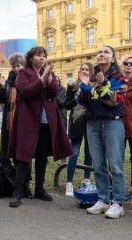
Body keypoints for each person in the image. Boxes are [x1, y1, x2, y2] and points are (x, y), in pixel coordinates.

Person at [9, 46, 72, 207]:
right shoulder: (23, 72)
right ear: (30, 58)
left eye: (44, 55)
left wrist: (50, 79)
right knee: (24, 156)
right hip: (28, 120)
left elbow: (54, 93)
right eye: (38, 55)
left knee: (42, 156)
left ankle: (39, 189)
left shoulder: (48, 73)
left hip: (46, 120)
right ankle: (18, 192)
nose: (42, 58)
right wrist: (43, 78)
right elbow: (26, 91)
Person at [78, 46, 126, 219]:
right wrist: (84, 87)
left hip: (112, 124)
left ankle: (118, 203)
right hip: (93, 124)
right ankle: (103, 199)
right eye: (99, 52)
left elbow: (114, 101)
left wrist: (103, 84)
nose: (101, 54)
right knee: (98, 165)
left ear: (112, 59)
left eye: (105, 52)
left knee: (115, 166)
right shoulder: (90, 77)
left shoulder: (119, 78)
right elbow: (83, 101)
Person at [0, 53, 33, 199]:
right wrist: (1, 87)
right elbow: (1, 100)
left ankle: (25, 184)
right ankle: (17, 184)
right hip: (10, 123)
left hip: (24, 120)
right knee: (12, 153)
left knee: (25, 154)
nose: (17, 69)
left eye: (19, 65)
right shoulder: (8, 81)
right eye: (14, 66)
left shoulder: (27, 79)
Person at [64, 63, 94, 197]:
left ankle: (86, 179)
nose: (84, 71)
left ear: (91, 72)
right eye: (82, 69)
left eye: (87, 69)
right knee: (74, 153)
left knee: (89, 153)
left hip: (90, 122)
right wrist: (77, 99)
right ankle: (69, 182)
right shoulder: (72, 87)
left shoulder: (94, 85)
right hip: (76, 123)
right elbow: (67, 105)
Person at [122, 55, 132, 164]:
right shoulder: (117, 82)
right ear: (122, 66)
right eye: (126, 63)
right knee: (116, 159)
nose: (129, 65)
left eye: (131, 64)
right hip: (118, 126)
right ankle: (115, 181)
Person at [56, 76, 67, 165]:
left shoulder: (63, 91)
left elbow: (62, 103)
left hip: (61, 117)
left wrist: (54, 94)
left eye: (57, 79)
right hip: (51, 117)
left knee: (61, 139)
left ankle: (63, 158)